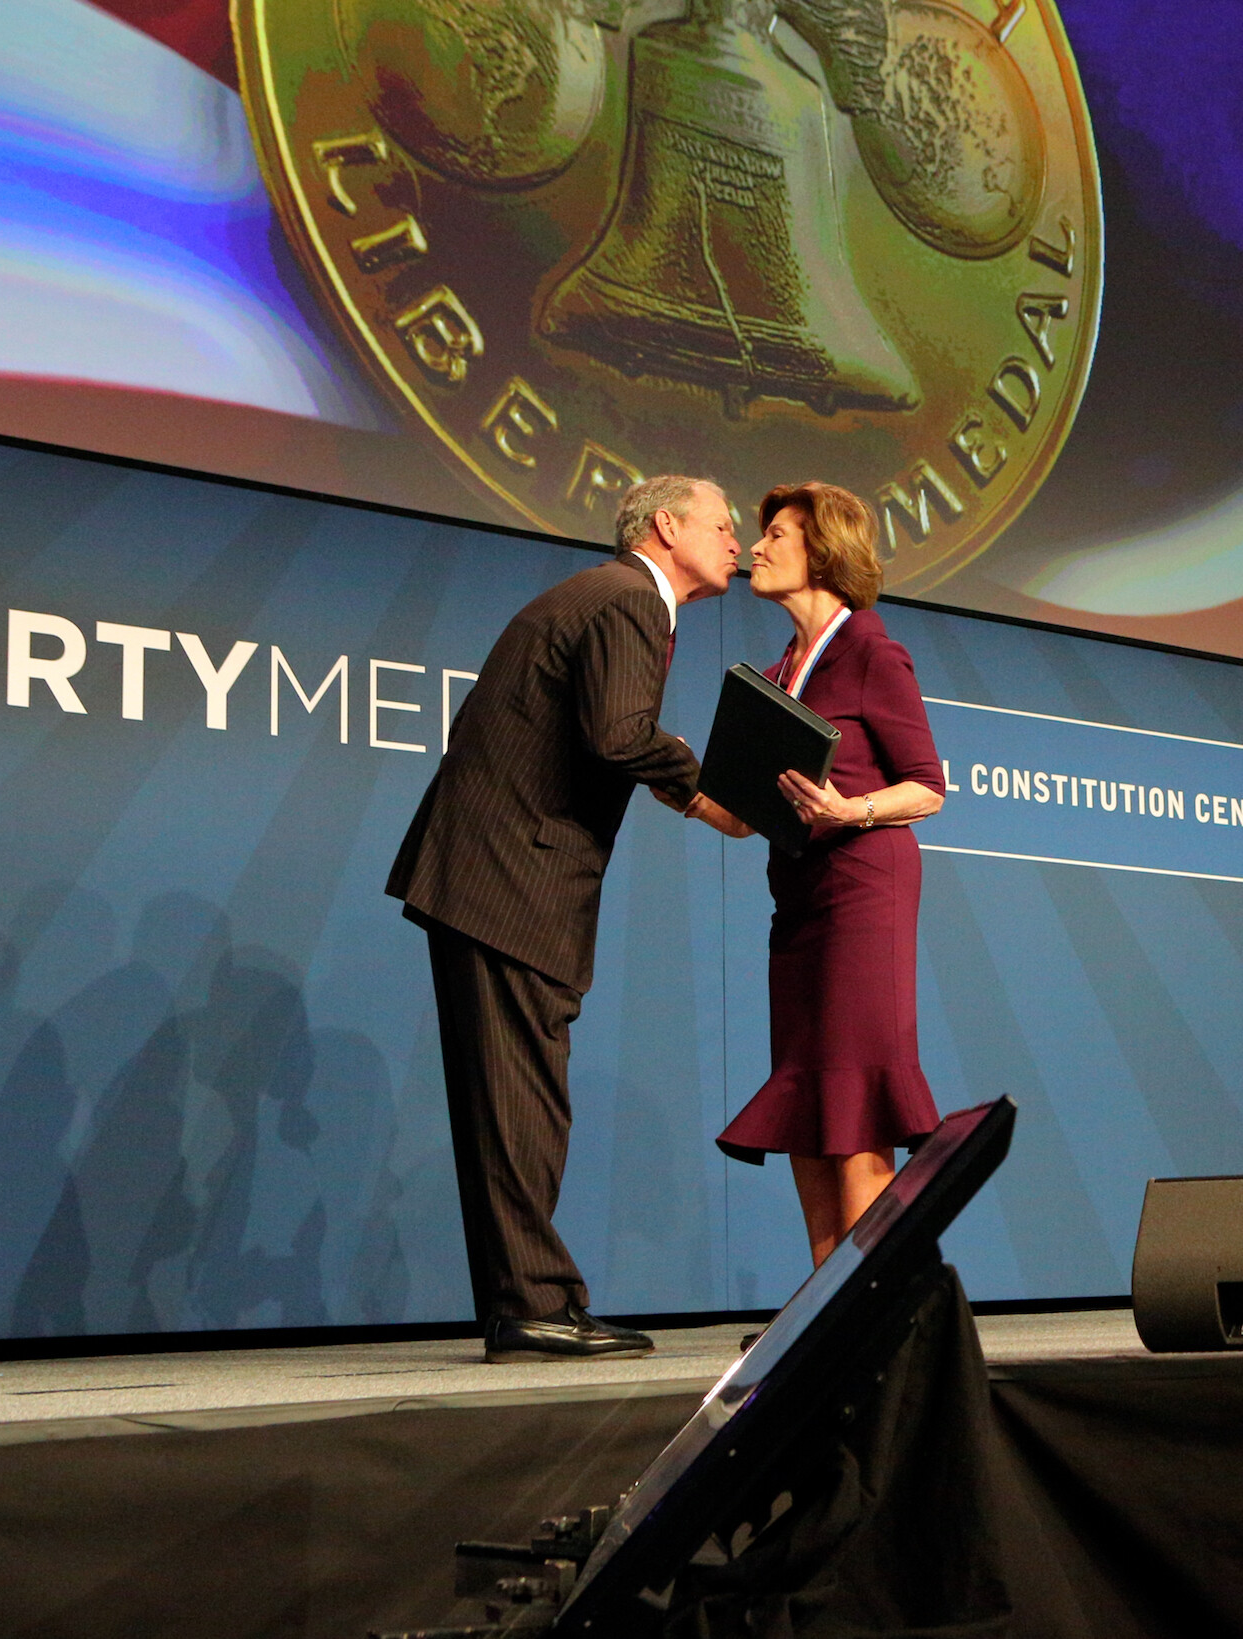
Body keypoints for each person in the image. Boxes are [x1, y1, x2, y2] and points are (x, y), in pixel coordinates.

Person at [388, 475, 752, 1361]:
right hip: (512, 879)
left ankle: (526, 1302)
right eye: (721, 524)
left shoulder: (603, 595)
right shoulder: (631, 598)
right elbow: (620, 733)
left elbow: (604, 733)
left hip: (491, 874)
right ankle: (534, 1305)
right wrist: (714, 794)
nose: (736, 542)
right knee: (520, 1098)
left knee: (510, 1098)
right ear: (666, 527)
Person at [716, 481, 947, 1265]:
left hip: (863, 892)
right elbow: (741, 815)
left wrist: (851, 810)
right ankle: (825, 1299)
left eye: (776, 534)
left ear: (822, 552)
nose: (756, 547)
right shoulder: (779, 673)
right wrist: (663, 772)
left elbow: (928, 788)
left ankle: (870, 1300)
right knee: (811, 1100)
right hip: (799, 902)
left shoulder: (873, 652)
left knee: (855, 1099)